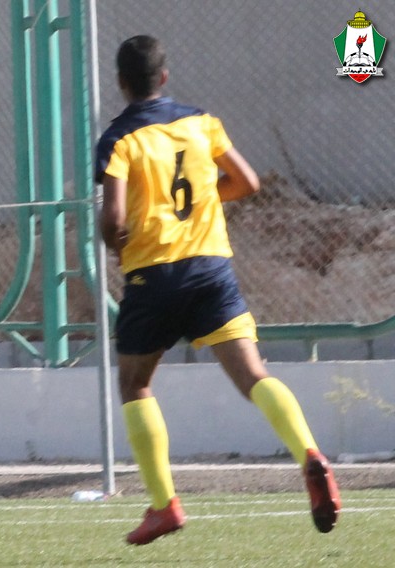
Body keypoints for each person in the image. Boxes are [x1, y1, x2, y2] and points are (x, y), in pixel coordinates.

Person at [95, 35, 341, 545]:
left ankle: (164, 505)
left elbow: (113, 217)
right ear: (164, 77)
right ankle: (310, 454)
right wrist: (204, 201)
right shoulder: (201, 122)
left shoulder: (119, 138)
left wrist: (117, 245)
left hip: (153, 274)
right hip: (210, 268)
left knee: (135, 384)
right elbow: (247, 181)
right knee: (253, 375)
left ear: (121, 83)